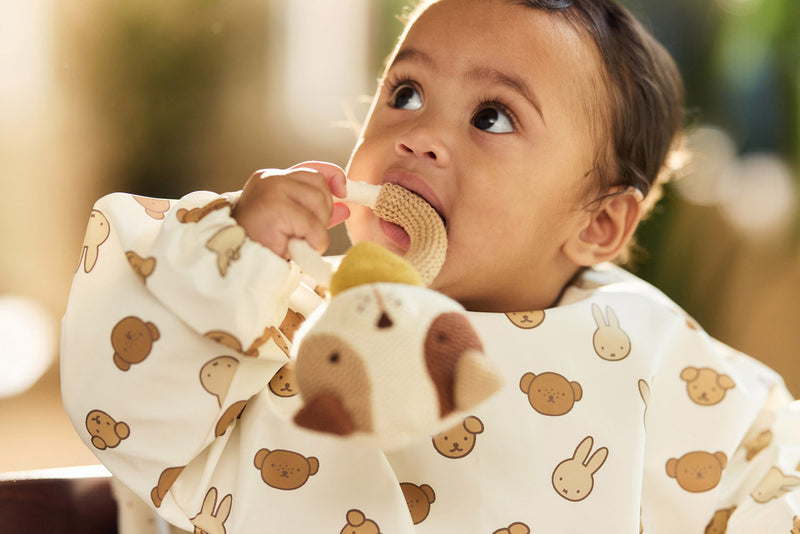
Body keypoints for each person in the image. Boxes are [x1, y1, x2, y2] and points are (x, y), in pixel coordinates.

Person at [61, 0, 800, 532]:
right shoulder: (277, 313)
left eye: (492, 116)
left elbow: (768, 475)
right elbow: (124, 413)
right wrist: (226, 262)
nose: (419, 136)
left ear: (598, 223)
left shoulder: (646, 354)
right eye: (405, 94)